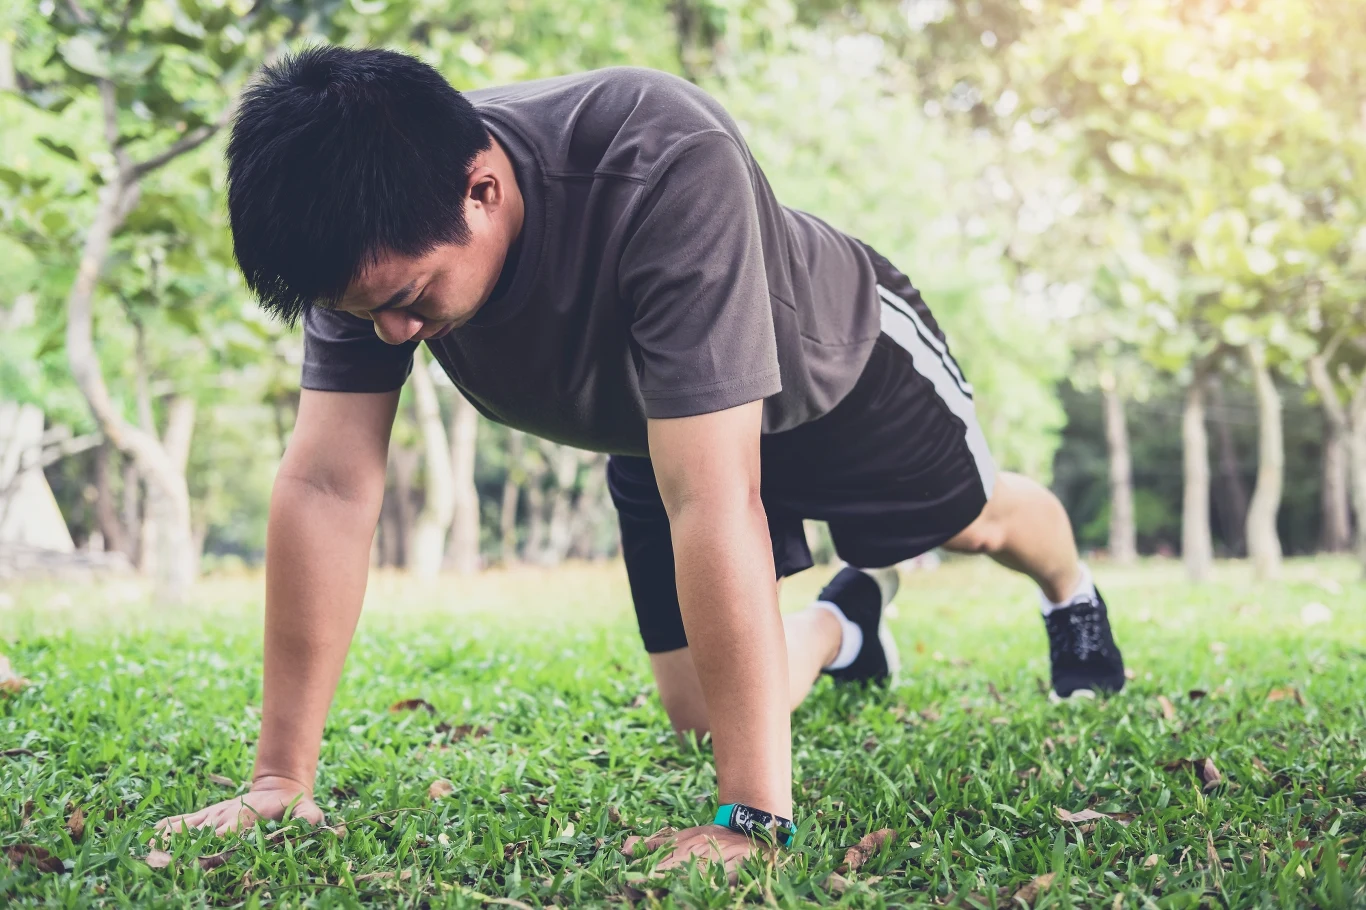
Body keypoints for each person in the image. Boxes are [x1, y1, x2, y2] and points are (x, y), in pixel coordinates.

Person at [155, 46, 1125, 871]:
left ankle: (1071, 592)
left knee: (974, 521)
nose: (394, 330)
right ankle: (844, 624)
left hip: (839, 376)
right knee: (705, 708)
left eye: (408, 297)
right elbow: (327, 483)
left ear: (483, 190)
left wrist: (750, 817)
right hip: (659, 431)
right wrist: (281, 778)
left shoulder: (659, 153)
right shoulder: (371, 233)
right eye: (365, 313)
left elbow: (716, 493)